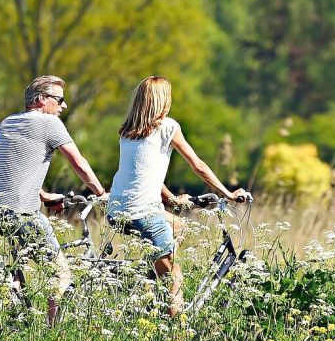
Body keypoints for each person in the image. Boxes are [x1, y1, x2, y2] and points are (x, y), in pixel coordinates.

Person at [107, 75, 249, 317]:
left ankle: (151, 281)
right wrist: (228, 194)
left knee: (179, 225)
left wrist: (171, 199)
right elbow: (198, 165)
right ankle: (175, 334)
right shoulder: (168, 127)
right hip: (144, 212)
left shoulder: (127, 132)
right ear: (163, 101)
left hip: (117, 209)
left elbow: (142, 172)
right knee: (175, 277)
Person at [0, 75, 106, 325]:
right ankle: (50, 335)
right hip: (17, 211)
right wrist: (101, 193)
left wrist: (44, 195)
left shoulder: (7, 123)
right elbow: (78, 163)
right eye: (59, 100)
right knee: (59, 273)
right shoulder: (49, 123)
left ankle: (17, 319)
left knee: (17, 271)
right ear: (40, 100)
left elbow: (12, 168)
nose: (63, 106)